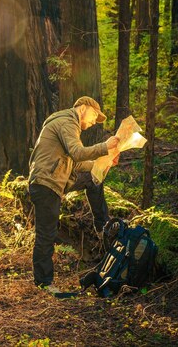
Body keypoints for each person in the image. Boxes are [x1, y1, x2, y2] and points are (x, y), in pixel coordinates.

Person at [28, 96, 120, 289]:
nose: (95, 121)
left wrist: (102, 164)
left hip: (55, 179)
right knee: (46, 234)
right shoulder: (67, 122)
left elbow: (76, 163)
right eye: (94, 115)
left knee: (94, 178)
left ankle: (103, 226)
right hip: (46, 183)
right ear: (83, 108)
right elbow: (78, 153)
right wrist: (105, 146)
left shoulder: (68, 124)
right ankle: (43, 282)